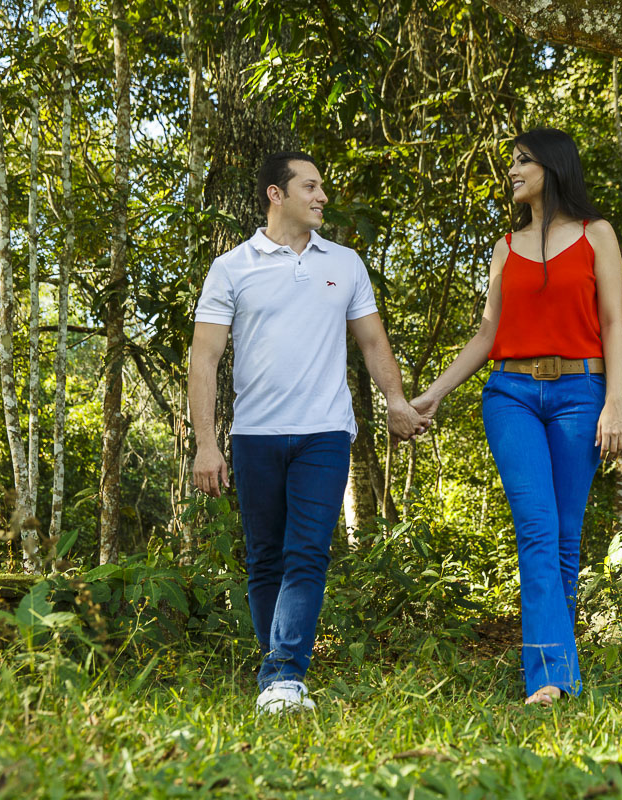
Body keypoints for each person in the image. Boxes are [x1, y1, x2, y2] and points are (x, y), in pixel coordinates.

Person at [189, 151, 429, 714]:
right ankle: (278, 675)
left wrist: (395, 400)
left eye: (323, 187)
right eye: (312, 186)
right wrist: (206, 443)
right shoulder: (232, 267)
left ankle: (283, 675)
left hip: (325, 431)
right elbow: (204, 359)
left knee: (307, 553)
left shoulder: (344, 264)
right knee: (266, 556)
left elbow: (372, 341)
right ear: (277, 194)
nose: (322, 196)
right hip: (255, 435)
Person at [412, 128, 622, 705]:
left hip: (583, 392)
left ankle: (555, 669)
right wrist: (434, 392)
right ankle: (553, 679)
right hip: (510, 394)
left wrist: (616, 402)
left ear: (551, 167)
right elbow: (488, 333)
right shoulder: (506, 246)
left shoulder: (595, 235)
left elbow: (613, 326)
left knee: (563, 540)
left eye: (520, 161)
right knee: (536, 529)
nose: (510, 171)